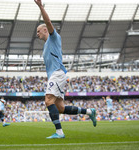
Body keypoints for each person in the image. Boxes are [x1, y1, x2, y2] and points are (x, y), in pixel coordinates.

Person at [34, 0, 97, 139]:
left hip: (57, 74)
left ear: (45, 30)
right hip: (56, 75)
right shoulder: (46, 46)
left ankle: (59, 133)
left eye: (38, 31)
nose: (37, 33)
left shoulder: (54, 38)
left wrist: (40, 6)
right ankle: (89, 112)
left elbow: (48, 22)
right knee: (60, 108)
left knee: (48, 101)